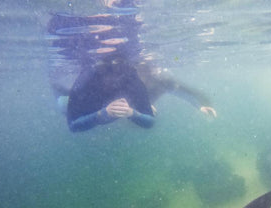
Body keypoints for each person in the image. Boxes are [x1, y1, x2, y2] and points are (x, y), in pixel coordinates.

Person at [48, 5, 217, 133]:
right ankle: (59, 94)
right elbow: (74, 123)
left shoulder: (143, 77)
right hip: (93, 106)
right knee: (63, 103)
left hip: (121, 107)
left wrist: (200, 105)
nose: (149, 68)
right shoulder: (93, 76)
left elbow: (179, 90)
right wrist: (102, 115)